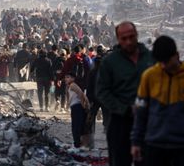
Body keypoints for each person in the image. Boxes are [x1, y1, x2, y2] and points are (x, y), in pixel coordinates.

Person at [96, 21, 153, 166]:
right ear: (118, 39)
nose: (128, 41)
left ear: (137, 35)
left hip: (148, 121)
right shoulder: (110, 62)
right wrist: (125, 109)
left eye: (131, 37)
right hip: (120, 121)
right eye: (124, 38)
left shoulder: (150, 58)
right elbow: (102, 91)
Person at [131, 36, 184, 166]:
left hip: (181, 146)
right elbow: (140, 112)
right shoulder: (149, 76)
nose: (164, 66)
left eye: (167, 61)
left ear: (176, 55)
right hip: (154, 144)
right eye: (161, 62)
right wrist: (136, 142)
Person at [65, 72, 89, 149]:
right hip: (75, 107)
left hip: (77, 107)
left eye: (68, 77)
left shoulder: (73, 85)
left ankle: (77, 144)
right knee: (77, 126)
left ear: (73, 78)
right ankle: (79, 144)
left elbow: (81, 94)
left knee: (76, 126)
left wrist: (83, 105)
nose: (66, 79)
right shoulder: (70, 86)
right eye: (66, 77)